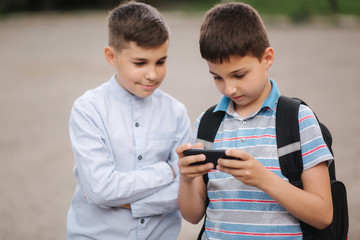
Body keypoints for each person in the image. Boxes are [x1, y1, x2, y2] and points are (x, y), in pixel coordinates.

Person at [177, 2, 333, 239]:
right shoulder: (207, 124)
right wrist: (187, 179)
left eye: (239, 75)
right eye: (217, 77)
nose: (229, 88)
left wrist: (263, 179)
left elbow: (323, 215)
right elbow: (192, 215)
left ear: (267, 58)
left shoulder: (297, 120)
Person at [66, 1, 191, 239]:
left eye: (161, 61)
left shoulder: (176, 112)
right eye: (140, 63)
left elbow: (186, 191)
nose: (153, 74)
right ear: (111, 56)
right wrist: (168, 171)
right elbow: (101, 190)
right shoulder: (88, 109)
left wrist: (132, 204)